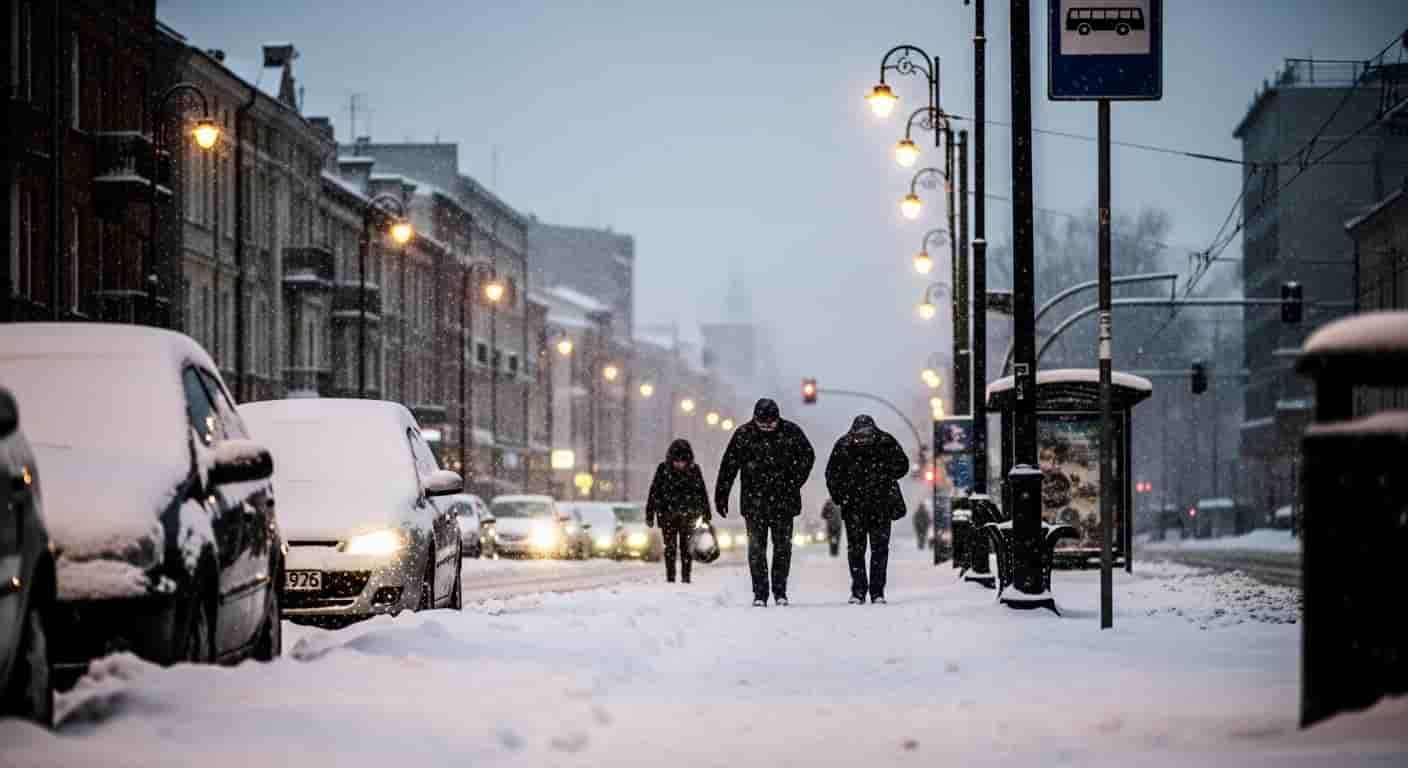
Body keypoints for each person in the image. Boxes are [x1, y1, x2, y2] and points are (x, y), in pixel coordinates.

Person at [716, 398, 815, 607]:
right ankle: (760, 593)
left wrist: (794, 480)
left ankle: (780, 591)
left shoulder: (791, 432)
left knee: (782, 548)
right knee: (756, 550)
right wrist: (721, 494)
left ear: (778, 419)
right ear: (755, 419)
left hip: (784, 503)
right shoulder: (744, 434)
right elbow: (728, 466)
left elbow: (808, 456)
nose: (767, 427)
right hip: (754, 504)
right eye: (763, 423)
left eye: (771, 423)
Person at [824, 415, 909, 605]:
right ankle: (859, 590)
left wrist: (885, 472)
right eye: (859, 436)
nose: (863, 440)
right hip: (855, 507)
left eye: (866, 436)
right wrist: (841, 497)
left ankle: (876, 591)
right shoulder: (843, 446)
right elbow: (831, 475)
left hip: (880, 506)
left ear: (873, 432)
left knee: (878, 550)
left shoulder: (885, 442)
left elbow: (903, 465)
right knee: (857, 550)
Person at [646, 439, 712, 584]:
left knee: (686, 548)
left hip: (689, 517)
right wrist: (650, 514)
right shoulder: (662, 469)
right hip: (667, 516)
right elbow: (654, 492)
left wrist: (706, 514)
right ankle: (670, 578)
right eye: (677, 461)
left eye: (683, 461)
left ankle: (686, 578)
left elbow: (702, 493)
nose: (680, 464)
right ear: (671, 459)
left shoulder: (694, 470)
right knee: (670, 548)